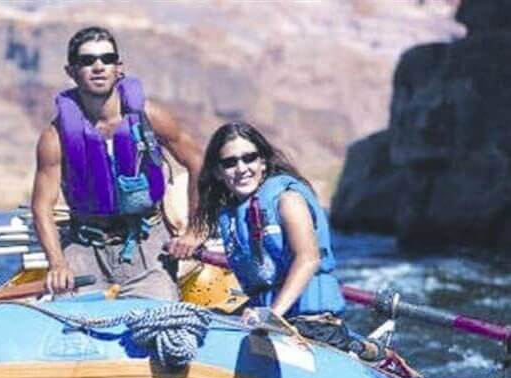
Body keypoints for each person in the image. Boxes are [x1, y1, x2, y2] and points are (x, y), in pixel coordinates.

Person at [31, 26, 205, 300]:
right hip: (85, 249)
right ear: (71, 71)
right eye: (87, 61)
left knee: (163, 327)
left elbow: (198, 163)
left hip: (147, 246)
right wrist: (57, 263)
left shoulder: (151, 117)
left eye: (107, 59)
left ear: (118, 68)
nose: (98, 67)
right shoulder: (55, 137)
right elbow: (42, 206)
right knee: (73, 330)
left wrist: (195, 231)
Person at [196, 121, 383, 360]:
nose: (241, 168)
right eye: (230, 162)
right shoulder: (231, 216)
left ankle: (360, 349)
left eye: (249, 158)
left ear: (263, 162)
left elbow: (308, 259)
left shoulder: (288, 200)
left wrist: (272, 315)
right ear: (218, 172)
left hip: (312, 325)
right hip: (269, 320)